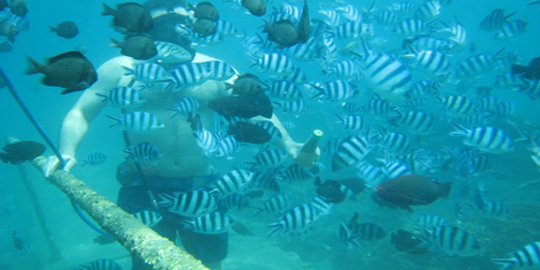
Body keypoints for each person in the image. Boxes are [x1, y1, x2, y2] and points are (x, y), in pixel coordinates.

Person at [42, 1, 317, 269]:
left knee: (209, 263)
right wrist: (66, 151)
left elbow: (257, 109)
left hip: (201, 186)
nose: (175, 22)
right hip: (142, 186)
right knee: (145, 262)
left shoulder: (214, 69)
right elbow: (81, 113)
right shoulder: (119, 69)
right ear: (143, 23)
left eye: (181, 13)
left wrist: (291, 145)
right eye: (163, 13)